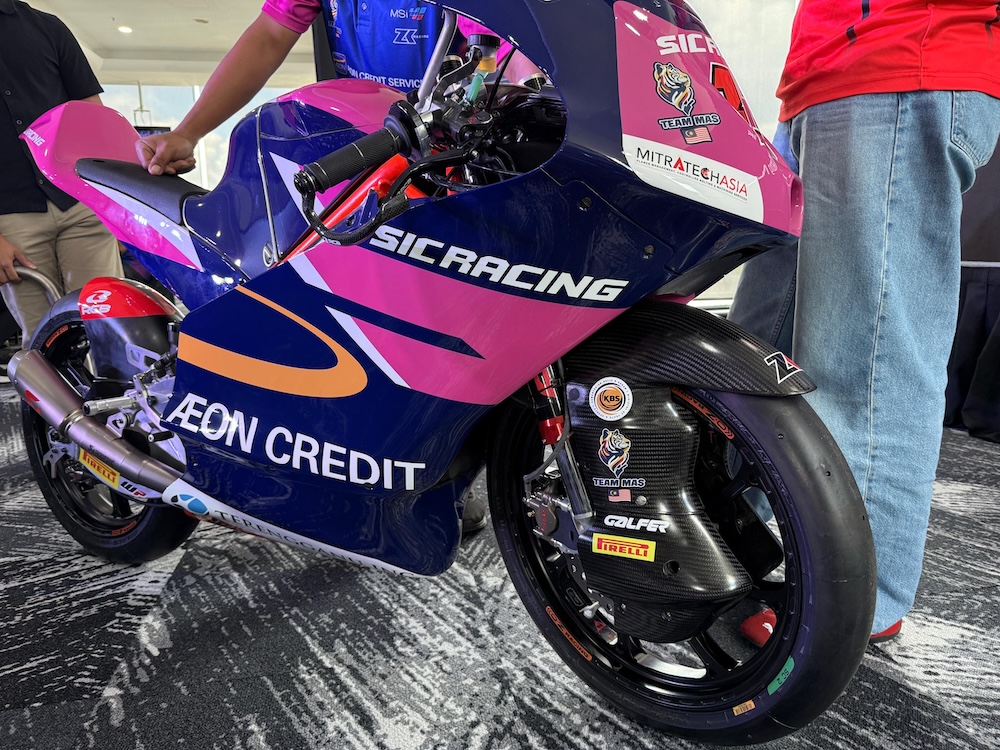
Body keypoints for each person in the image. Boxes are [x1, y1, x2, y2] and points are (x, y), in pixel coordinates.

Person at [732, 1, 1000, 645]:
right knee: (751, 345)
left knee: (867, 363)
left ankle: (854, 605)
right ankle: (745, 543)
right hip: (819, 80)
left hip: (900, 59)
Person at [136, 1, 539, 177]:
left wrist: (538, 88)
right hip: (357, 152)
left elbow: (506, 48)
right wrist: (187, 132)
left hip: (448, 154)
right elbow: (269, 36)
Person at [0, 0, 123, 347]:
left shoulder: (47, 27)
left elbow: (91, 117)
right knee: (43, 344)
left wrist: (110, 202)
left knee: (107, 330)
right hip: (10, 220)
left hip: (79, 202)